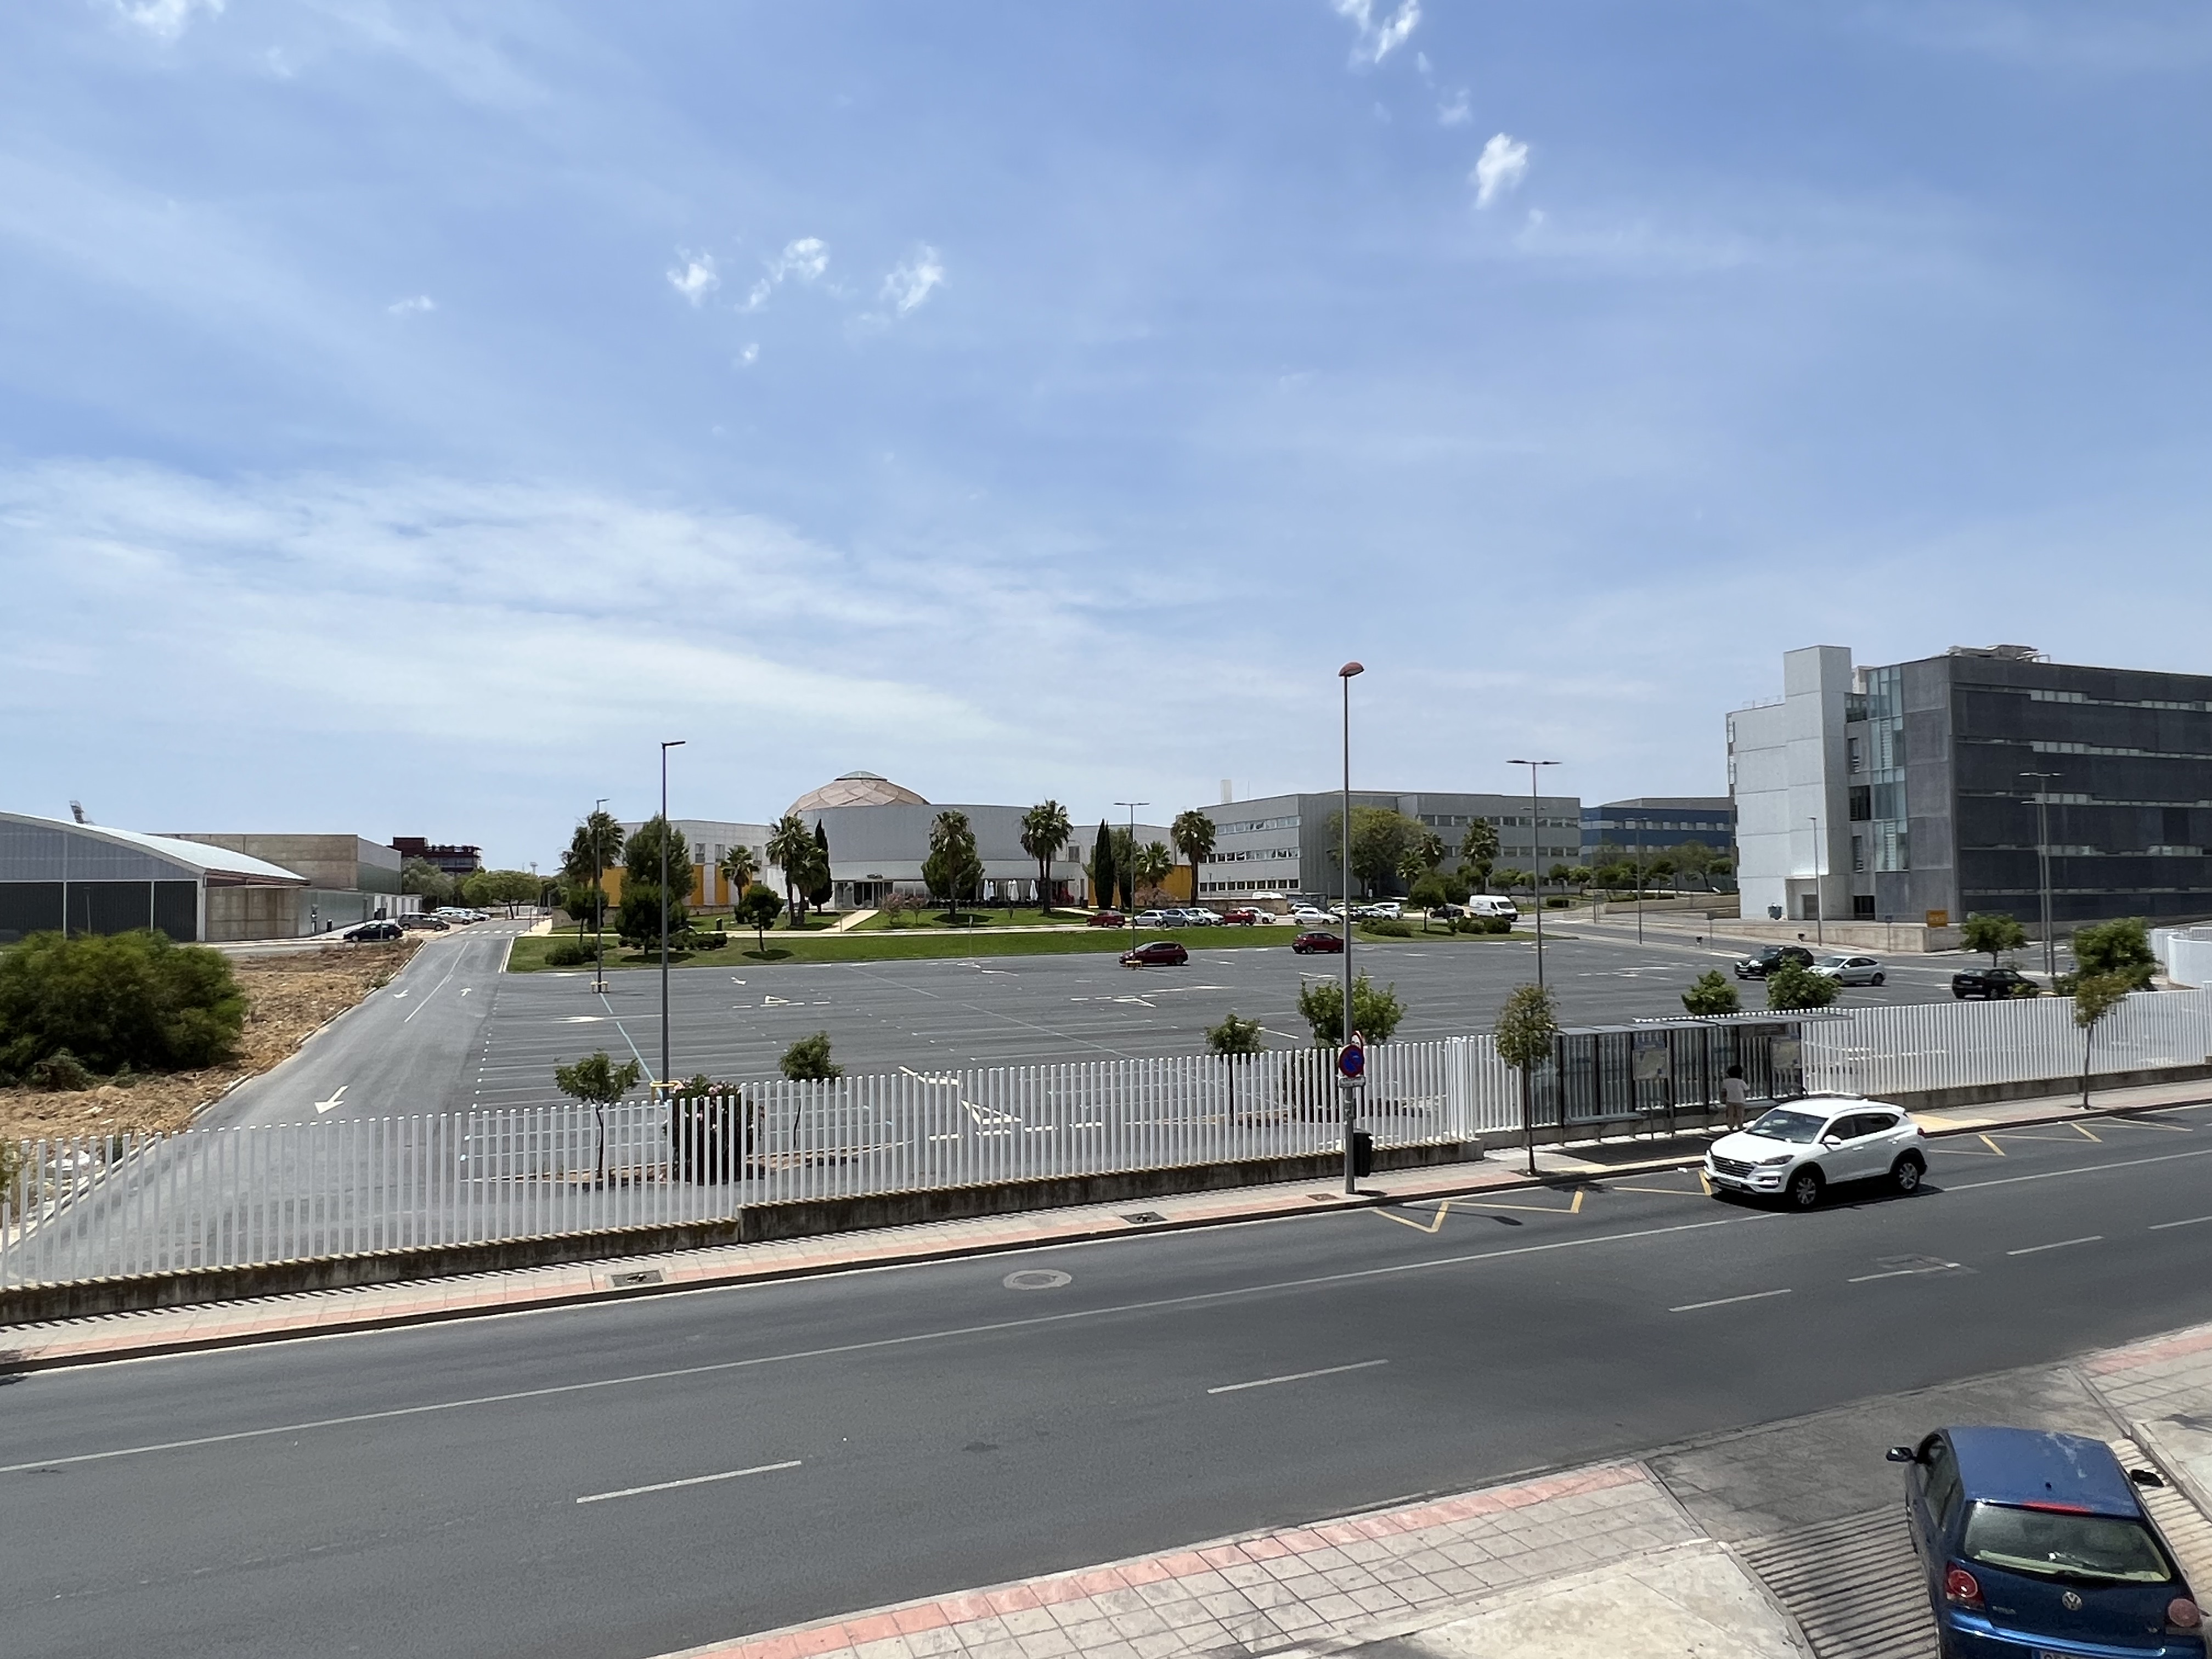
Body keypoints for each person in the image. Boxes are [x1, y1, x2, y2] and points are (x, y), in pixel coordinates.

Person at [1720, 1064, 1750, 1131]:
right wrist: (1745, 1096)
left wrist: (1723, 1099)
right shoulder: (1741, 1082)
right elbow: (1747, 1090)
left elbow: (1723, 1091)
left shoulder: (1726, 1082)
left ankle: (1731, 1126)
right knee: (1740, 1114)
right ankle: (1740, 1126)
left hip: (1730, 1101)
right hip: (1740, 1100)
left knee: (1731, 1114)